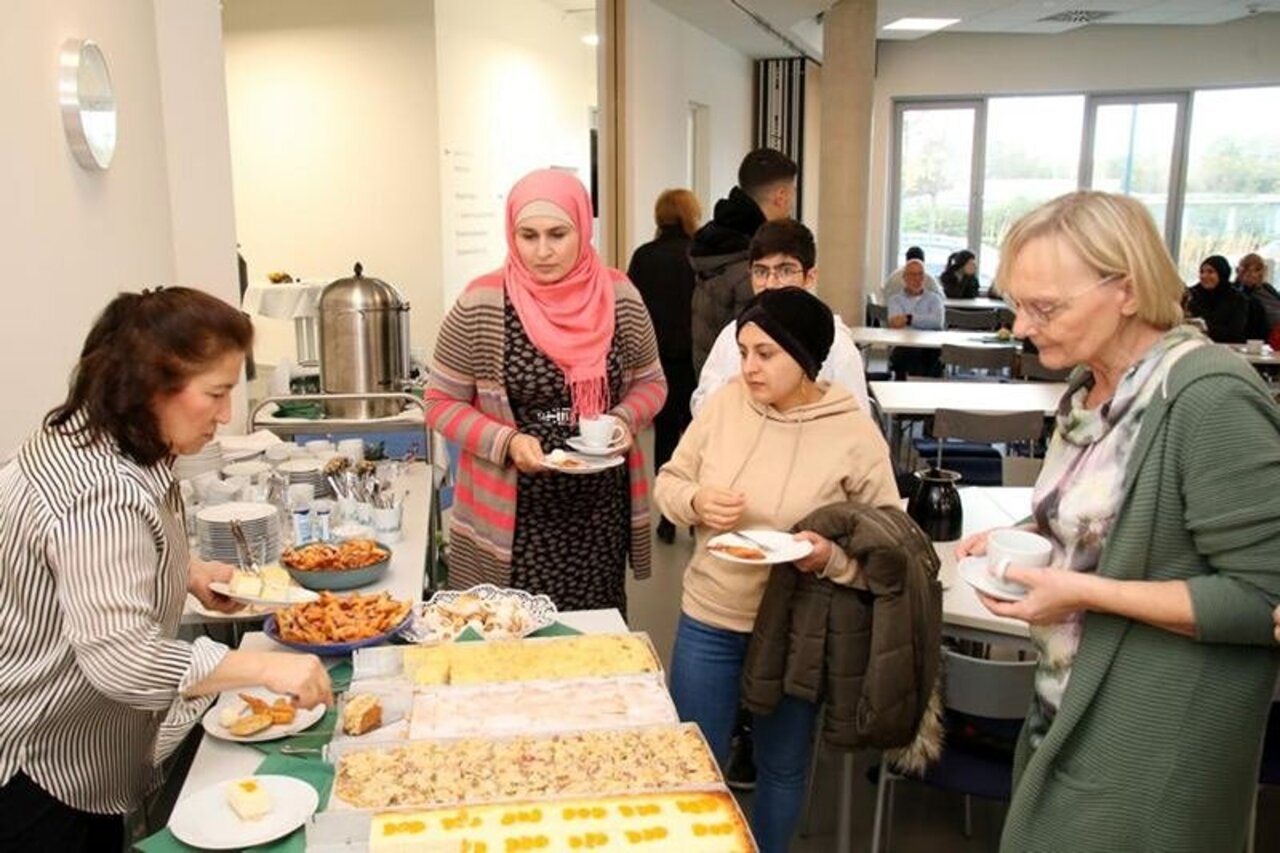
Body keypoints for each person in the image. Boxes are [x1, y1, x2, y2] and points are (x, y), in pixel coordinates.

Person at [955, 191, 1280, 852]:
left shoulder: (1210, 398)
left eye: (1045, 307)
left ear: (1126, 291)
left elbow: (1263, 598)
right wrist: (1040, 533)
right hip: (1070, 708)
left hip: (1155, 749)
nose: (1021, 326)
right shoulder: (1091, 389)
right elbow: (1123, 522)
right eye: (1018, 304)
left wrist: (1082, 591)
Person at [0, 287, 332, 851]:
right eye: (216, 394)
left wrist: (188, 571)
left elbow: (87, 561)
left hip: (75, 748)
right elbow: (122, 659)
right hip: (40, 765)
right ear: (149, 384)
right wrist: (262, 667)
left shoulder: (92, 438)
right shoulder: (101, 494)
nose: (225, 415)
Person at [655, 287, 900, 853]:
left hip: (797, 623)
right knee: (693, 762)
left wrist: (831, 559)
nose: (748, 367)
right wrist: (696, 501)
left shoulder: (853, 432)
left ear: (806, 357)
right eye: (744, 352)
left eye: (765, 354)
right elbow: (669, 481)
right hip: (711, 615)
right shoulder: (725, 405)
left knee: (782, 766)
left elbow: (889, 547)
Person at [424, 169, 667, 613]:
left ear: (583, 228)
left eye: (558, 234)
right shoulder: (482, 302)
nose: (542, 251)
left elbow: (652, 383)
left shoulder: (619, 296)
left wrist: (623, 420)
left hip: (597, 515)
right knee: (509, 633)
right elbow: (440, 403)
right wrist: (507, 441)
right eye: (528, 236)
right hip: (511, 520)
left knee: (592, 637)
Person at [690, 218, 869, 417]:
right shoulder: (731, 336)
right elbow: (701, 404)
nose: (771, 284)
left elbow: (856, 421)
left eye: (785, 271)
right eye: (761, 272)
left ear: (810, 277)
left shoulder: (837, 346)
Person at [627, 188, 701, 545]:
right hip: (693, 359)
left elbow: (631, 311)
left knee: (666, 438)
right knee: (698, 439)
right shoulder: (697, 255)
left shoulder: (643, 257)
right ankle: (695, 514)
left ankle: (668, 517)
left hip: (657, 361)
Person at [689, 147, 798, 376]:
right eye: (793, 192)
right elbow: (759, 344)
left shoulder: (715, 242)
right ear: (781, 196)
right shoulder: (752, 261)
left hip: (710, 377)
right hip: (743, 384)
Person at [887, 259, 946, 379]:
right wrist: (925, 320)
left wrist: (909, 319)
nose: (917, 279)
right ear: (904, 277)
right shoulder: (895, 300)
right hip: (905, 346)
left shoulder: (935, 299)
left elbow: (937, 322)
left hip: (930, 346)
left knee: (929, 358)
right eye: (912, 275)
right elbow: (895, 322)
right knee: (907, 356)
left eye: (920, 274)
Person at [1185, 254, 1261, 343]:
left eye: (1210, 272)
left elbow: (1235, 333)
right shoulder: (1192, 295)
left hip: (1226, 347)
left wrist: (1206, 327)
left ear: (1222, 274)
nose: (1204, 276)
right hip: (1193, 345)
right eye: (1202, 272)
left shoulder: (1237, 299)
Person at [1236, 251, 1280, 333]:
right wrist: (1246, 284)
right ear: (1241, 272)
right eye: (1248, 270)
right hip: (1271, 331)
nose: (1253, 274)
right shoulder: (1238, 291)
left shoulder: (1266, 287)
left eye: (1257, 270)